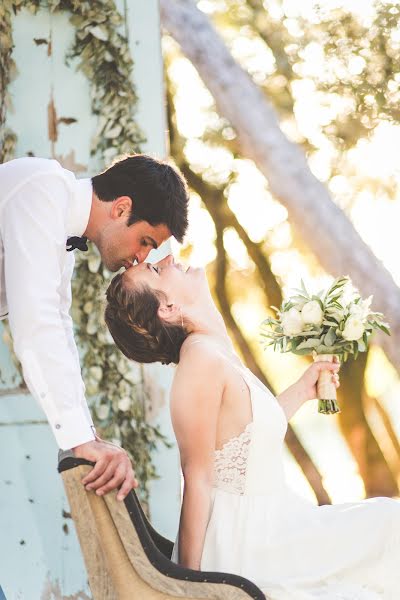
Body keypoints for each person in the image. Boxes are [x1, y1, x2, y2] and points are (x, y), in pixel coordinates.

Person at [105, 254, 399, 599]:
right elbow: (196, 478)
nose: (168, 257)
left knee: (388, 522)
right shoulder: (198, 361)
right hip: (252, 546)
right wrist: (187, 586)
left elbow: (243, 439)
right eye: (156, 270)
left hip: (282, 525)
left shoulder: (211, 350)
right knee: (389, 527)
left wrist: (303, 389)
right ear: (167, 308)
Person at [0, 155, 189, 501]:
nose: (141, 258)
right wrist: (78, 440)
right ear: (121, 208)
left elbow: (59, 326)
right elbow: (36, 322)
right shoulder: (42, 187)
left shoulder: (60, 227)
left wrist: (87, 436)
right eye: (145, 240)